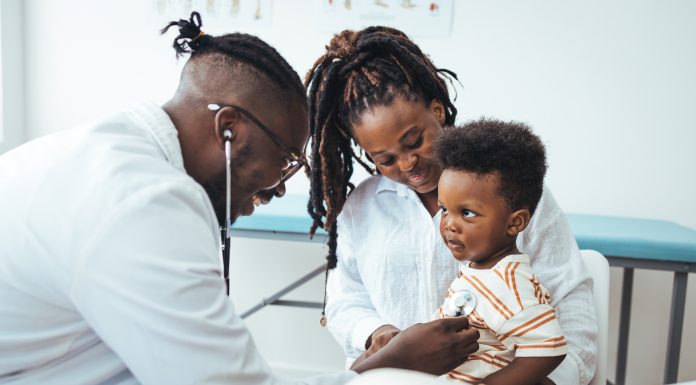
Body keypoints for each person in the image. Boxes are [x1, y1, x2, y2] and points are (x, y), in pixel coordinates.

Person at [0, 13, 478, 385]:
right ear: (229, 129)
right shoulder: (143, 203)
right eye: (287, 157)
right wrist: (386, 364)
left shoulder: (107, 153)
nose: (278, 188)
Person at [305, 27, 598, 385]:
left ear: (438, 110)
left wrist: (555, 379)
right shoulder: (361, 209)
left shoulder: (510, 189)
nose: (408, 163)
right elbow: (343, 301)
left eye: (414, 141)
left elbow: (570, 302)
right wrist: (378, 333)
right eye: (385, 159)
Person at [434, 119, 566, 384]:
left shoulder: (508, 282)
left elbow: (549, 350)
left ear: (515, 222)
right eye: (444, 209)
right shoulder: (481, 268)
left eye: (467, 213)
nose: (449, 224)